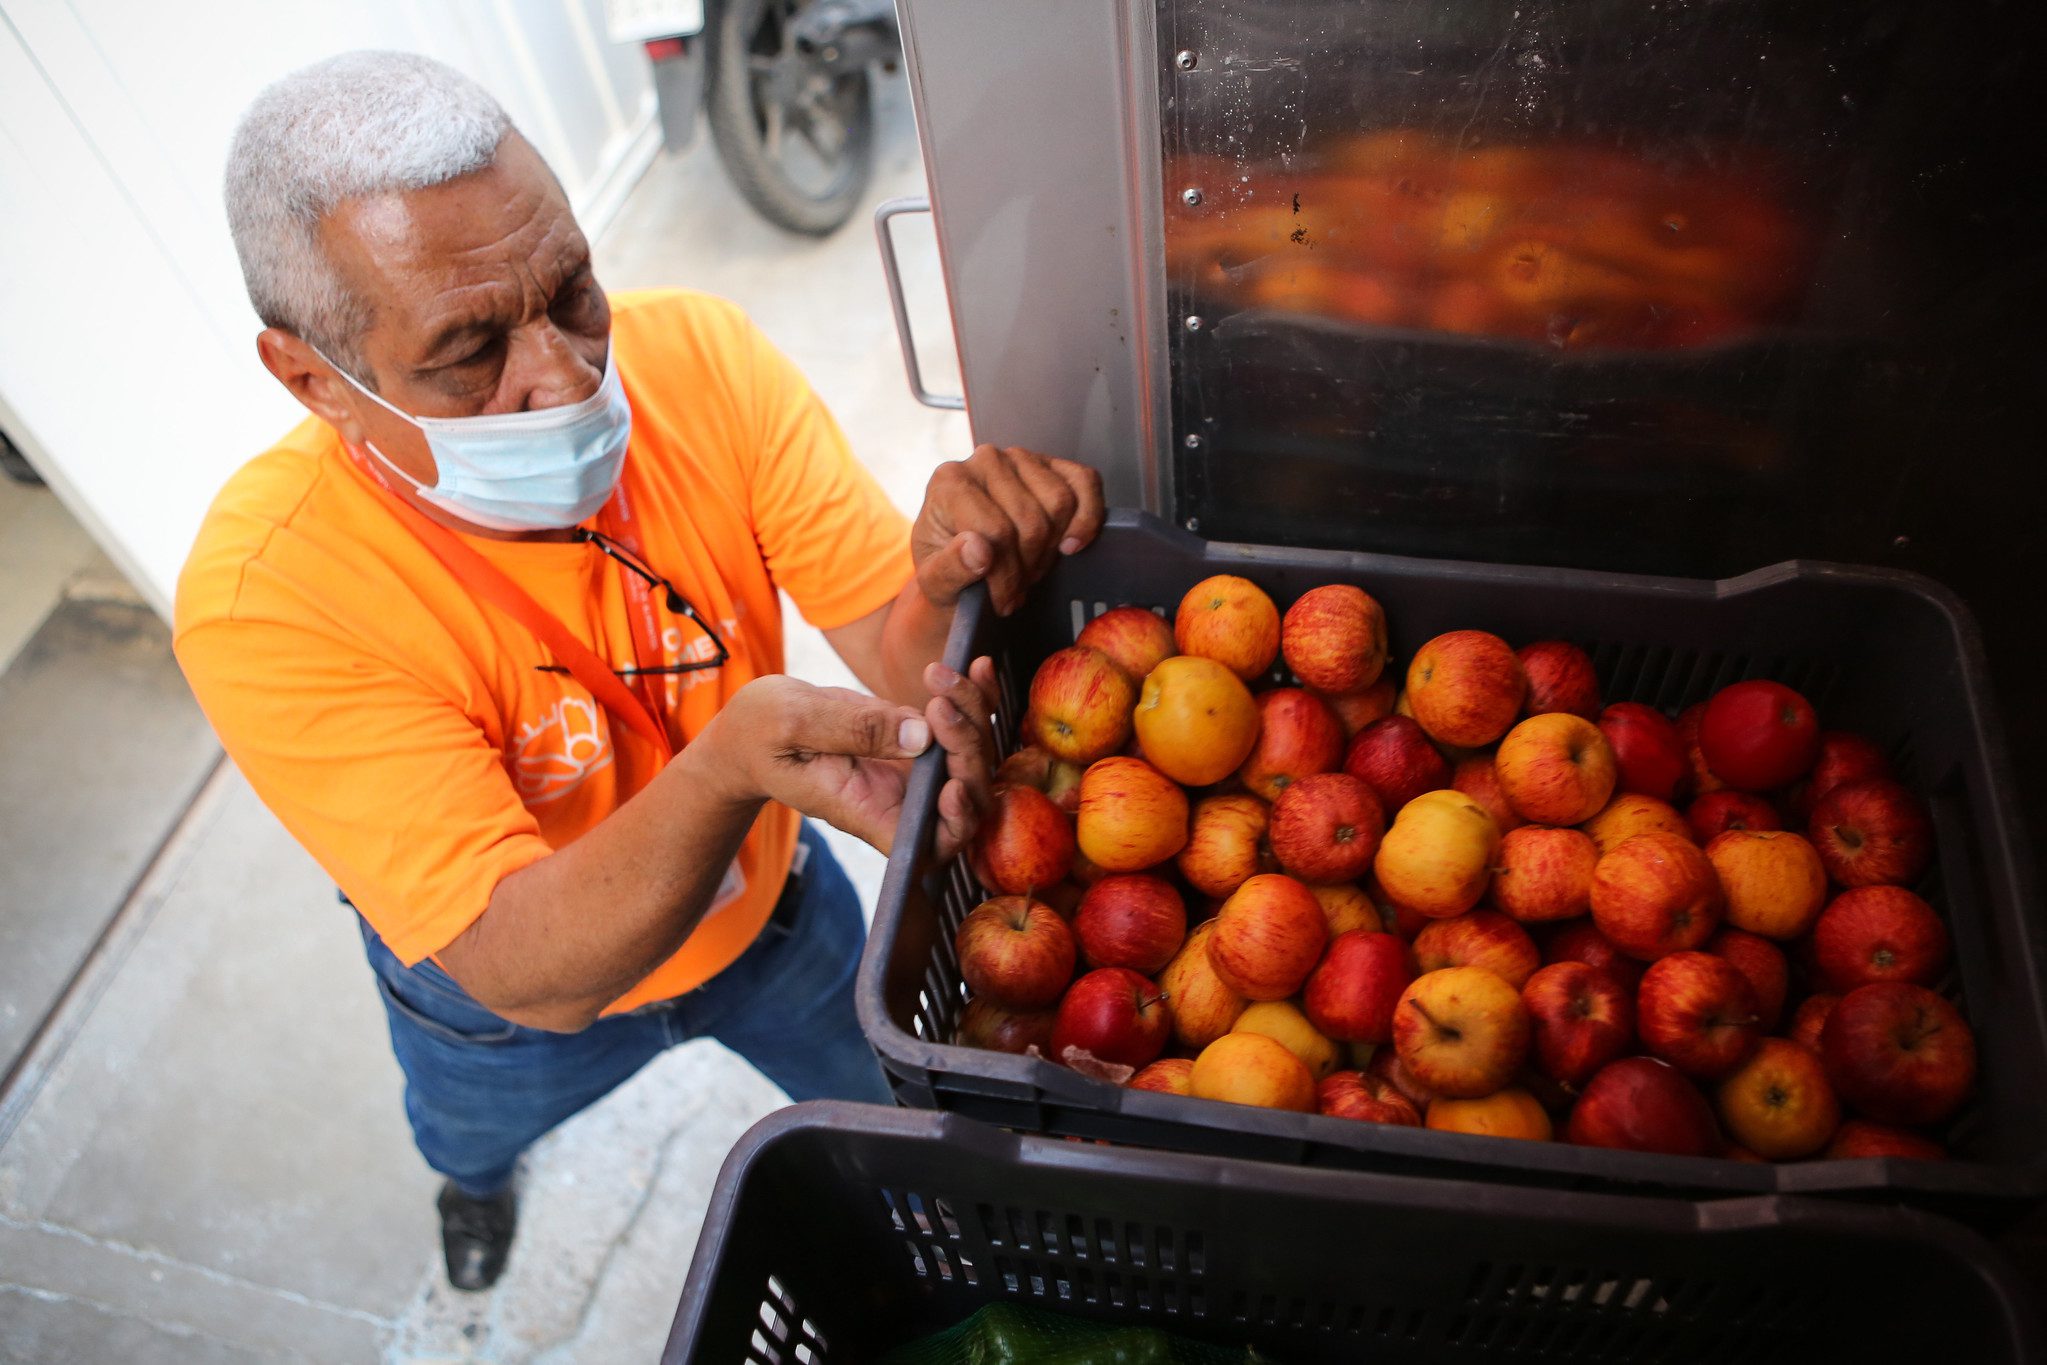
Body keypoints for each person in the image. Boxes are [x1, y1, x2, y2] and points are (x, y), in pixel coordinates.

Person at [174, 50, 1101, 1292]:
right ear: (311, 379)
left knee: (895, 1108)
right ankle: (476, 1185)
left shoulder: (700, 362)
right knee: (467, 1123)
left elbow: (894, 657)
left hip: (775, 914)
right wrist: (727, 770)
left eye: (571, 289)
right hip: (508, 1018)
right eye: (468, 350)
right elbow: (526, 972)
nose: (561, 371)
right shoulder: (269, 600)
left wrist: (943, 595)